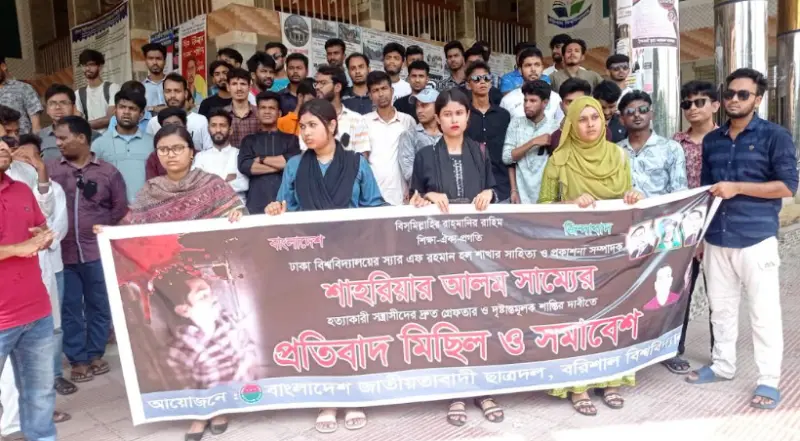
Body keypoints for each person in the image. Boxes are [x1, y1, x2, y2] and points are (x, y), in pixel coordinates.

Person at [103, 124, 248, 440]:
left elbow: (238, 217)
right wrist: (109, 234)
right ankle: (197, 410)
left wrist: (236, 216)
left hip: (206, 283)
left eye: (177, 148)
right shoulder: (150, 192)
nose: (171, 155)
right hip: (168, 288)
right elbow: (131, 231)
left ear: (191, 152)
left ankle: (221, 404)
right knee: (180, 346)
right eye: (164, 149)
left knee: (216, 340)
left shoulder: (212, 185)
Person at [265, 99, 384, 432]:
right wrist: (276, 209)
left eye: (312, 125)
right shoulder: (294, 166)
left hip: (350, 258)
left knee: (351, 327)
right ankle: (327, 400)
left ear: (332, 126)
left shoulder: (357, 164)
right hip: (310, 262)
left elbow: (375, 207)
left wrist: (411, 208)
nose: (305, 133)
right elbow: (287, 207)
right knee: (317, 326)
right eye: (302, 127)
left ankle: (355, 396)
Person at [687, 68, 799, 412]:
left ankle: (769, 379)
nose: (734, 100)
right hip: (717, 236)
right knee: (720, 308)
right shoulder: (713, 140)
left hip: (756, 237)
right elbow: (707, 191)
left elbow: (787, 186)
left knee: (763, 313)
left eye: (743, 94)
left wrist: (738, 188)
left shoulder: (775, 136)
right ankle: (723, 365)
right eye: (730, 94)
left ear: (758, 99)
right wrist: (701, 236)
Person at [538, 96, 643, 416]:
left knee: (612, 315)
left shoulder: (618, 156)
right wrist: (569, 204)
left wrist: (633, 196)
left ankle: (611, 380)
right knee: (578, 320)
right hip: (575, 255)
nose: (590, 124)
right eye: (582, 119)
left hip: (613, 253)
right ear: (571, 124)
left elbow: (628, 198)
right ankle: (578, 385)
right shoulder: (559, 160)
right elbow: (541, 208)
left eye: (594, 117)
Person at [406, 89, 502, 425]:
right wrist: (428, 196)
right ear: (438, 118)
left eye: (459, 113)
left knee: (481, 317)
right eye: (447, 114)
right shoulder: (425, 155)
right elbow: (413, 199)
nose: (453, 119)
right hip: (440, 251)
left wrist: (489, 192)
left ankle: (484, 389)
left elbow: (491, 189)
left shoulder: (480, 151)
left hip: (478, 249)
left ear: (468, 116)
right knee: (449, 318)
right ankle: (455, 392)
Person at [45, 115, 128, 385]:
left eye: (63, 137)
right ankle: (77, 359)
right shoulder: (51, 170)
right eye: (57, 138)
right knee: (69, 308)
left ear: (81, 138)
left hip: (97, 252)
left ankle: (95, 354)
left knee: (99, 305)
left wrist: (102, 230)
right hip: (62, 254)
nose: (58, 143)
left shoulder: (108, 173)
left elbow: (119, 209)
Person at [1, 135, 72, 438]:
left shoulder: (20, 189)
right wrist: (19, 248)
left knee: (40, 395)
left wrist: (43, 236)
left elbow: (40, 226)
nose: (3, 147)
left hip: (36, 312)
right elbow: (21, 246)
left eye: (3, 142)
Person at [666, 80, 720, 375]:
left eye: (700, 102)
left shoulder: (725, 140)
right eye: (687, 104)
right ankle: (674, 348)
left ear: (715, 105)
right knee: (680, 292)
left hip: (718, 227)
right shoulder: (675, 143)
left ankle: (720, 353)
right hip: (683, 229)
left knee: (719, 294)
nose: (693, 108)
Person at [239, 92, 301, 214]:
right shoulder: (249, 140)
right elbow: (245, 166)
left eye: (271, 108)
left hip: (285, 201)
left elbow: (291, 164)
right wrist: (280, 167)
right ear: (257, 113)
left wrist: (261, 159)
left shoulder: (291, 139)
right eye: (263, 108)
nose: (267, 111)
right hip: (256, 202)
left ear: (279, 113)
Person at [617, 90, 687, 198]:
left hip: (661, 209)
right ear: (622, 119)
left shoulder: (672, 148)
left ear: (651, 115)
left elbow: (680, 192)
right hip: (624, 208)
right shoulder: (615, 151)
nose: (637, 115)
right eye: (630, 111)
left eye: (643, 110)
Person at [502, 80, 560, 204]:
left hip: (547, 197)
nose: (527, 105)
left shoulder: (554, 128)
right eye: (525, 100)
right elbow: (507, 158)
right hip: (520, 197)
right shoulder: (516, 123)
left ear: (545, 103)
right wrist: (533, 142)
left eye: (533, 101)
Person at [92, 90, 154, 202]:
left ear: (141, 114)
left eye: (132, 108)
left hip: (146, 208)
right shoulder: (99, 144)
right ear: (115, 111)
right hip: (112, 209)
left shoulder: (152, 143)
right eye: (122, 107)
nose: (126, 112)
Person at [364, 71, 415, 206]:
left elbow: (413, 158)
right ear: (370, 95)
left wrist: (413, 189)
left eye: (384, 88)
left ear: (392, 91)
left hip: (402, 196)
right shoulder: (363, 122)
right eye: (375, 90)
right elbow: (362, 160)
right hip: (373, 196)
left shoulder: (407, 121)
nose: (381, 94)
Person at [464, 62, 511, 202]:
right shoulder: (463, 115)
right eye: (476, 79)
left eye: (486, 78)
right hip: (469, 185)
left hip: (501, 185)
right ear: (468, 84)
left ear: (491, 82)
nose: (482, 81)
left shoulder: (503, 115)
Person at [311, 65, 370, 154]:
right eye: (316, 83)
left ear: (337, 87)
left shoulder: (356, 120)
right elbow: (305, 155)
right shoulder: (310, 118)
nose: (317, 87)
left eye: (323, 83)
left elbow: (362, 157)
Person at [147, 73, 213, 151]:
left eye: (177, 91)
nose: (172, 95)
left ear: (185, 94)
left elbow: (209, 151)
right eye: (168, 91)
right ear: (163, 93)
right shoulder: (153, 122)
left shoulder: (201, 121)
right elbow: (151, 153)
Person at [194, 109, 249, 202]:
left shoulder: (240, 155)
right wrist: (228, 179)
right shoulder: (200, 157)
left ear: (230, 130)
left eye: (222, 125)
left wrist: (211, 182)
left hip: (238, 206)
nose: (218, 130)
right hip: (209, 207)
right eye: (213, 125)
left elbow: (244, 184)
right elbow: (198, 186)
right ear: (208, 129)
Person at [500, 47, 564, 122]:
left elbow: (561, 126)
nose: (533, 69)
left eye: (537, 65)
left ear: (542, 68)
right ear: (520, 70)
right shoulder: (508, 100)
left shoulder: (555, 98)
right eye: (528, 65)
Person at [39, 84, 100, 160]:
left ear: (74, 107)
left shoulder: (93, 136)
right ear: (47, 109)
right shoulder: (39, 137)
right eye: (52, 103)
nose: (58, 107)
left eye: (63, 103)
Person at [398, 88, 442, 183]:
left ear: (438, 107)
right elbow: (409, 173)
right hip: (422, 191)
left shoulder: (448, 133)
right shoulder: (409, 135)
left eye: (424, 105)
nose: (419, 110)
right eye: (417, 106)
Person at [75, 49, 120, 133]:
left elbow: (110, 119)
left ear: (100, 66)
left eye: (91, 64)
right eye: (84, 65)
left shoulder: (112, 88)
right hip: (89, 139)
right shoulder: (78, 94)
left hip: (110, 137)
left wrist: (84, 125)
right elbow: (77, 122)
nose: (87, 68)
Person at [0, 56, 43, 135]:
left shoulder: (23, 88)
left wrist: (35, 140)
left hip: (21, 140)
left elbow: (36, 125)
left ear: (3, 66)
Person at [548, 78, 594, 150]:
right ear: (561, 106)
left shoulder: (602, 132)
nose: (574, 107)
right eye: (569, 102)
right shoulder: (554, 137)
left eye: (579, 101)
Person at [145, 107, 188, 180]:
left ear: (185, 126)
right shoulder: (154, 157)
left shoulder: (196, 155)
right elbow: (152, 183)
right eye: (167, 125)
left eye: (176, 124)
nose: (172, 128)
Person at [226, 68, 260, 147]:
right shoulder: (222, 115)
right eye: (234, 84)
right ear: (228, 87)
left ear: (249, 87)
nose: (239, 88)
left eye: (243, 84)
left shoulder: (259, 113)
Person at [141, 43, 168, 112]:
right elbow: (137, 110)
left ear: (165, 61)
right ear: (145, 61)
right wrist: (152, 108)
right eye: (151, 58)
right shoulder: (140, 88)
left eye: (158, 59)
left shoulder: (175, 84)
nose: (155, 62)